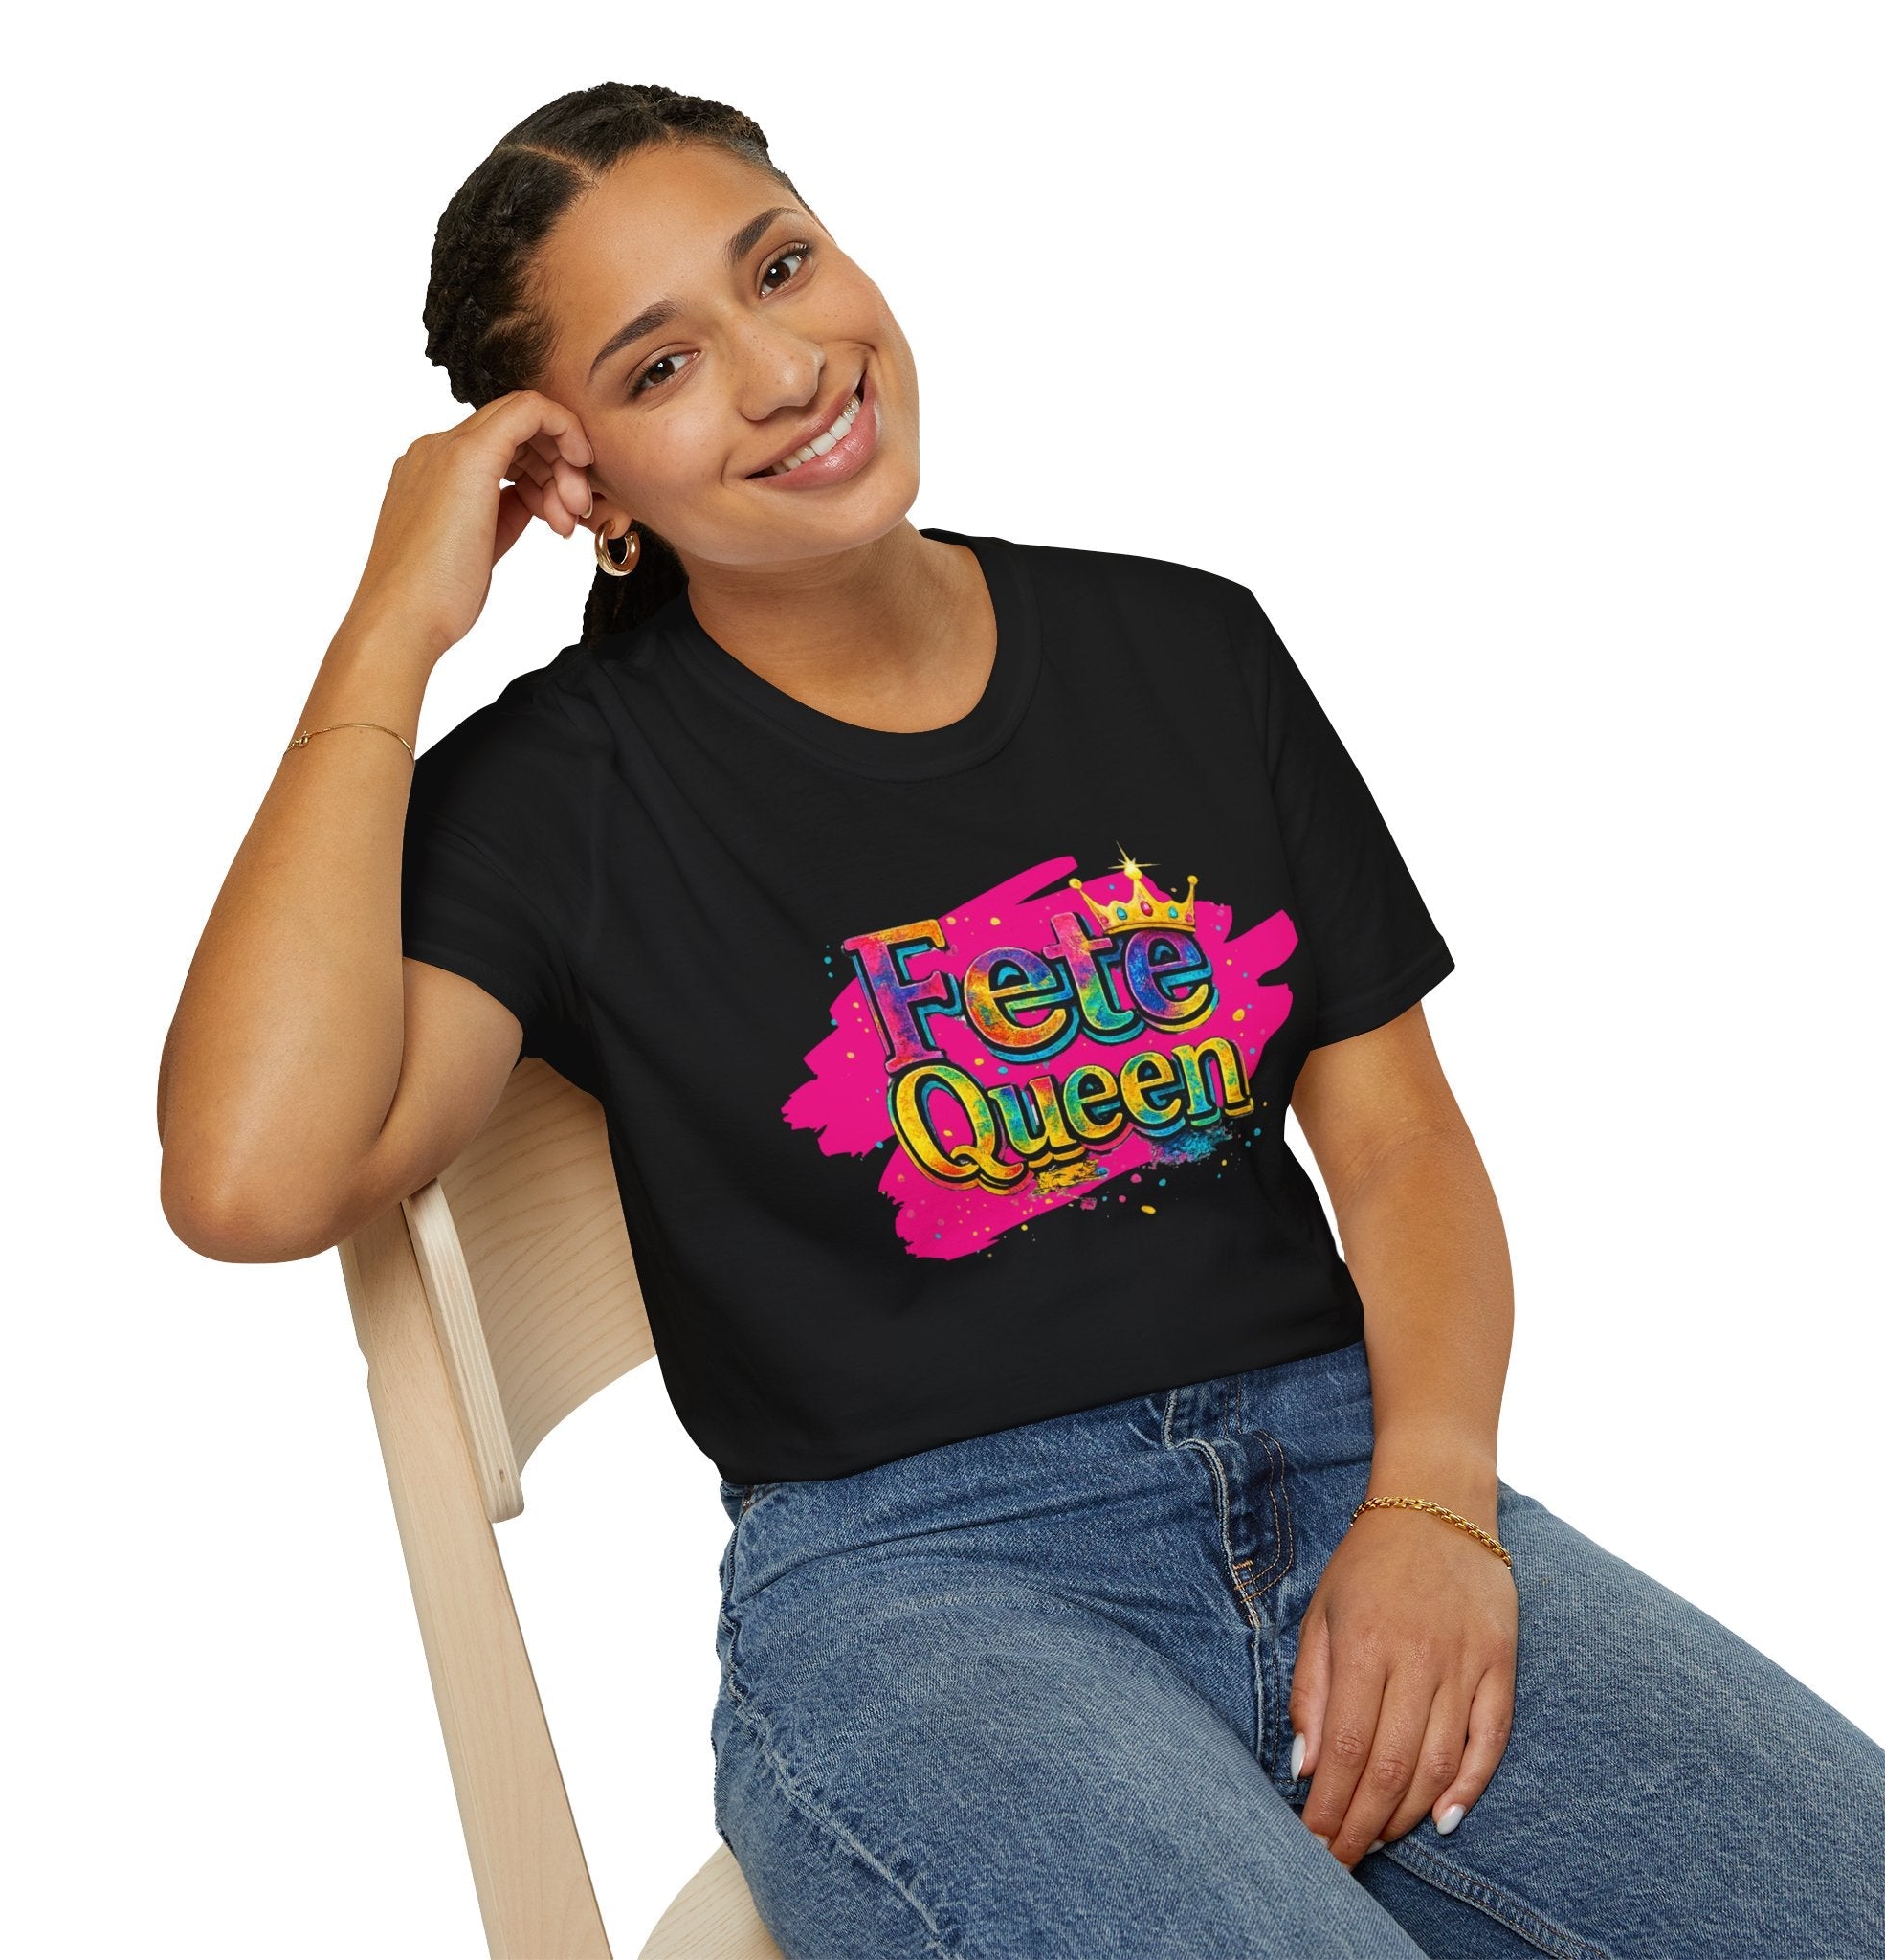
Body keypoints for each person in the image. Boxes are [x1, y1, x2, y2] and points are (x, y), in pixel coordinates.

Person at [157, 81, 1885, 1959]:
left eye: (782, 266)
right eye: (660, 368)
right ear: (583, 488)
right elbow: (251, 1176)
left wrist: (1436, 1507)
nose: (783, 367)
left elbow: (1395, 1147)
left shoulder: (1185, 650)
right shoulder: (561, 790)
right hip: (925, 1588)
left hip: (1346, 1471)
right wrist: (388, 629)